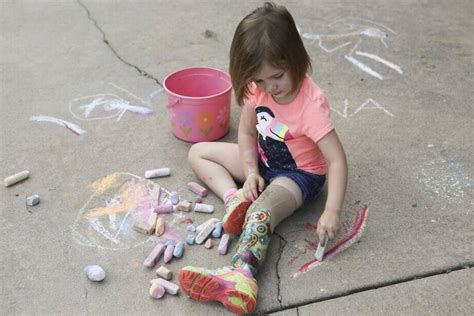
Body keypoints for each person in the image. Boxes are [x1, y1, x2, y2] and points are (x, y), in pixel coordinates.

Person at [178, 2, 347, 314]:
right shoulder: (258, 91)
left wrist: (332, 210)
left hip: (299, 176)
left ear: (297, 59)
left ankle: (242, 276)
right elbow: (246, 134)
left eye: (277, 77)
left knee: (261, 214)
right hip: (264, 161)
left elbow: (336, 161)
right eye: (259, 80)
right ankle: (233, 200)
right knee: (199, 151)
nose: (270, 88)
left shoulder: (311, 106)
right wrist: (251, 170)